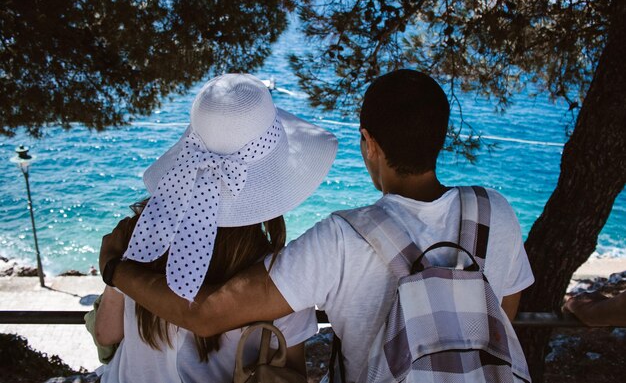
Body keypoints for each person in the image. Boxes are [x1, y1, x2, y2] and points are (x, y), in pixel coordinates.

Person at [100, 69, 534, 382]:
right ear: (443, 136)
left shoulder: (342, 238)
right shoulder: (495, 211)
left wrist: (116, 269)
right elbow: (502, 316)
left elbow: (208, 314)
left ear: (369, 144)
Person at [94, 73, 338, 382]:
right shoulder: (274, 279)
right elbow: (290, 373)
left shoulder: (142, 235)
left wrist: (115, 271)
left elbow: (106, 333)